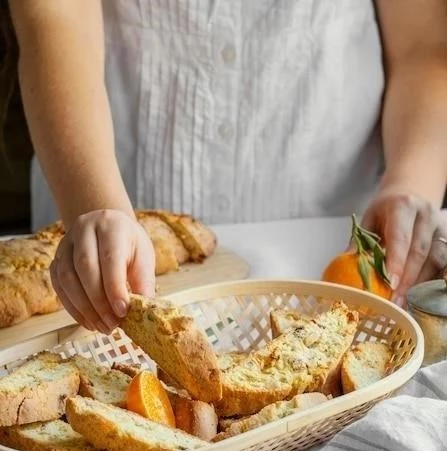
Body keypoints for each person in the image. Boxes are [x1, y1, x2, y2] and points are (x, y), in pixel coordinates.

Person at [4, 0, 447, 333]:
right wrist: (96, 207)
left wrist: (410, 182)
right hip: (105, 224)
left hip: (333, 252)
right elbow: (54, 18)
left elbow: (423, 45)